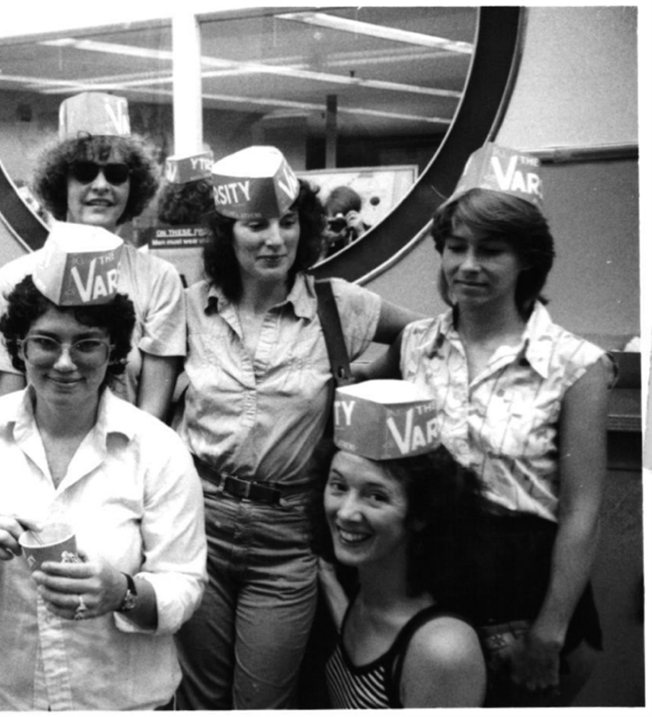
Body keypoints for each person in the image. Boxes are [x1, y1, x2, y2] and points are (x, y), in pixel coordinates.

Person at [173, 146, 422, 710]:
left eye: (288, 222)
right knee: (199, 700)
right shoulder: (188, 308)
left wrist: (364, 381)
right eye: (256, 225)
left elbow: (427, 337)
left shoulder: (339, 305)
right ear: (226, 234)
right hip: (198, 522)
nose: (275, 239)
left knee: (263, 701)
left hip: (287, 536)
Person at [0, 223, 208, 711]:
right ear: (20, 347)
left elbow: (184, 582)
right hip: (12, 697)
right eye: (47, 342)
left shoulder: (156, 448)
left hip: (121, 700)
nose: (65, 362)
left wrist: (123, 593)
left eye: (87, 343)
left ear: (114, 351)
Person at [366, 143, 613, 706]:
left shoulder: (576, 365)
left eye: (491, 250)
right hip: (430, 591)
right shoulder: (415, 345)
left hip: (526, 598)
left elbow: (582, 512)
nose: (468, 265)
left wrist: (551, 628)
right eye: (456, 247)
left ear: (527, 259)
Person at [0, 91, 185, 422]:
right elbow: (8, 408)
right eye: (85, 172)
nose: (101, 185)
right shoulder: (12, 280)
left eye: (116, 174)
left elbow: (153, 414)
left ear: (133, 186)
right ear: (60, 183)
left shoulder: (159, 279)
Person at [315, 379, 487, 708]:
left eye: (376, 496)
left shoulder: (443, 649)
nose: (346, 512)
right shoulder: (364, 596)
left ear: (421, 512)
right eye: (338, 486)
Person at [323, 185, 369, 256]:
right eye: (334, 222)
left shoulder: (367, 232)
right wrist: (325, 243)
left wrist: (361, 232)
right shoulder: (330, 238)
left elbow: (372, 256)